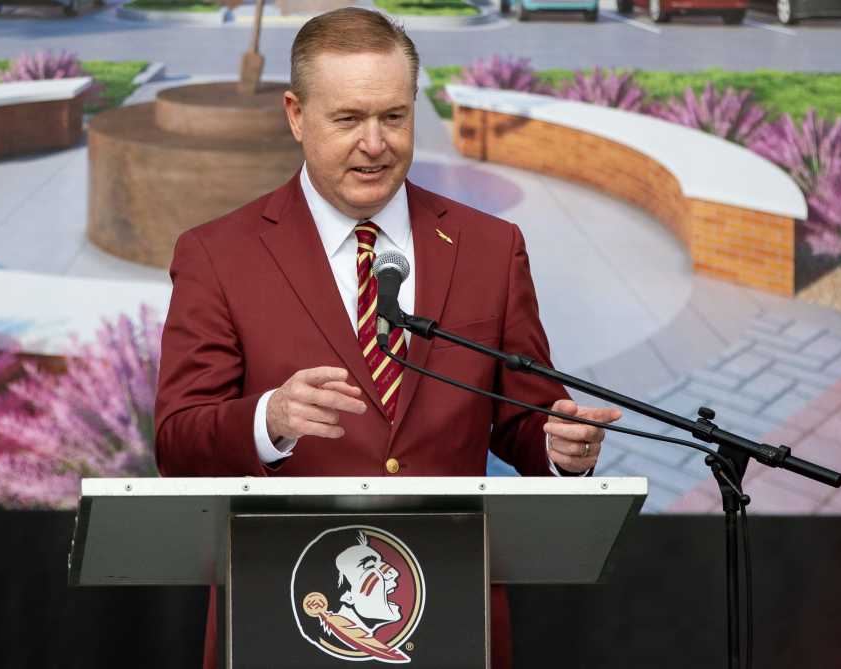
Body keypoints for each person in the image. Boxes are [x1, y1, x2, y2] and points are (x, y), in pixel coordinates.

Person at [153, 7, 622, 667]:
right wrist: (272, 418)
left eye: (394, 117)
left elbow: (526, 417)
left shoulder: (491, 248)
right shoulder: (217, 255)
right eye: (348, 119)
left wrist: (558, 444)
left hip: (450, 615)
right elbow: (176, 442)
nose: (375, 143)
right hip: (279, 614)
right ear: (295, 115)